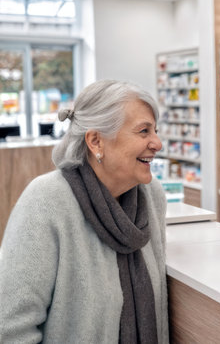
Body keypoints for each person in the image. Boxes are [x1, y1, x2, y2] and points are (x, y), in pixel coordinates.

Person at [0, 80, 169, 343]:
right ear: (95, 141)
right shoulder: (46, 201)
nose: (157, 143)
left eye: (155, 130)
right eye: (144, 131)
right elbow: (10, 328)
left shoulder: (151, 196)